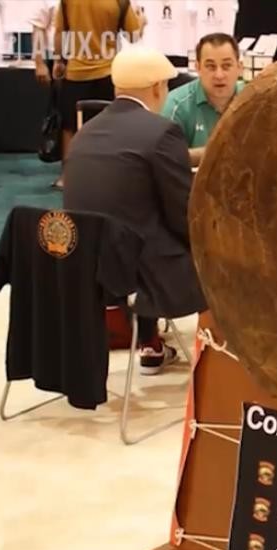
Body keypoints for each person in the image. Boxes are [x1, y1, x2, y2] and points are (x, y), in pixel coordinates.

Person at [63, 45, 206, 375]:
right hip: (138, 269)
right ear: (157, 88)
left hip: (84, 264)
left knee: (138, 224)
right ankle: (220, 356)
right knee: (216, 252)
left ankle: (150, 341)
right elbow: (183, 212)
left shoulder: (85, 133)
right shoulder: (161, 132)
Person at [47, 0, 145, 191]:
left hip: (76, 72)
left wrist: (58, 60)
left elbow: (59, 32)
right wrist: (142, 20)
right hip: (108, 72)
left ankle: (67, 176)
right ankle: (108, 175)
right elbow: (134, 36)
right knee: (109, 126)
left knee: (70, 127)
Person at [161, 33, 243, 167]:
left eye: (226, 66)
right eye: (210, 66)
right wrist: (216, 153)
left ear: (239, 68)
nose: (219, 75)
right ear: (197, 68)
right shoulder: (176, 105)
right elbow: (165, 159)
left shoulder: (255, 100)